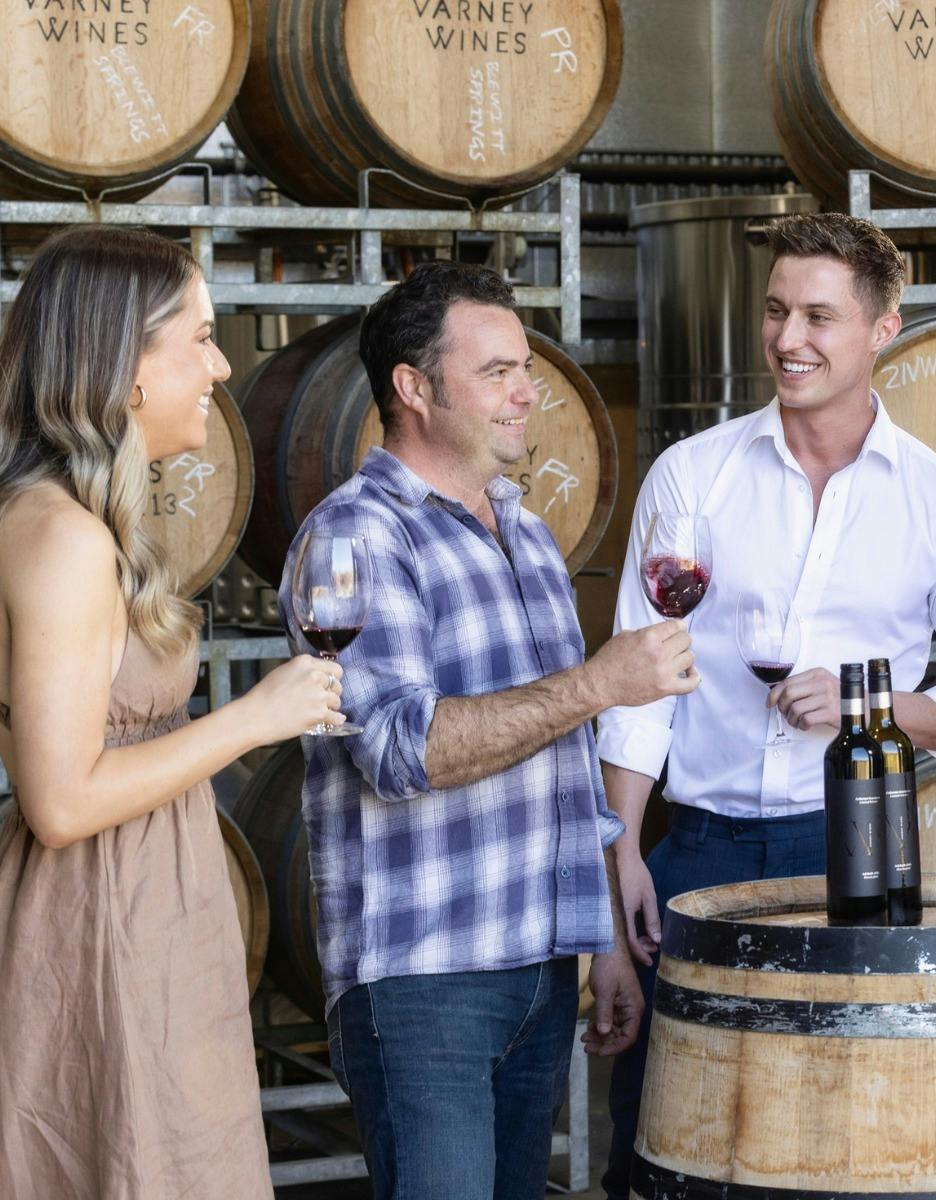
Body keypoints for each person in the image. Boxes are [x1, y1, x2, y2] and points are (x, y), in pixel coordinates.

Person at [597, 211, 936, 1198]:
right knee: (668, 1133)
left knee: (847, 1135)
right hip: (692, 852)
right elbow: (638, 683)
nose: (790, 339)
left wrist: (867, 705)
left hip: (858, 851)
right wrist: (619, 853)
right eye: (777, 311)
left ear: (883, 329)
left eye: (820, 317)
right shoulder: (691, 478)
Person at [280, 261, 697, 1200]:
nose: (527, 390)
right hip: (425, 979)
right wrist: (596, 683)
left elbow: (562, 771)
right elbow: (401, 750)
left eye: (526, 367)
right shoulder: (357, 538)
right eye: (498, 371)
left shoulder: (527, 531)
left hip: (542, 967)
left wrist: (602, 949)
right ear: (415, 389)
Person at [0, 226, 343, 1198]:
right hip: (105, 918)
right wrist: (254, 717)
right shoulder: (62, 538)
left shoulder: (52, 515)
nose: (222, 363)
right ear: (127, 367)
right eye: (197, 337)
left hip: (140, 905)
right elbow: (60, 803)